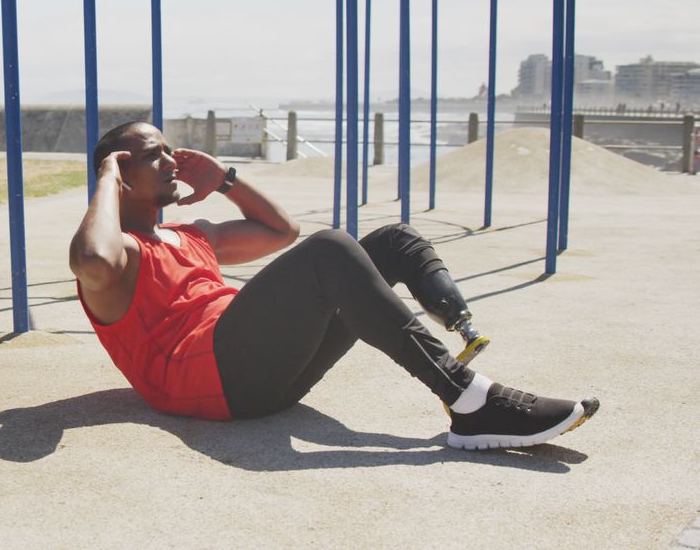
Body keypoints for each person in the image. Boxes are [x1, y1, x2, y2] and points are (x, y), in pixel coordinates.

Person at [69, 121, 598, 450]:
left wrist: (226, 180)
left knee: (393, 240)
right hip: (210, 381)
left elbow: (281, 231)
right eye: (151, 154)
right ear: (118, 175)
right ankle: (469, 399)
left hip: (263, 374)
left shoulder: (191, 235)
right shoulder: (120, 259)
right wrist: (103, 181)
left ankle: (458, 323)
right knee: (329, 250)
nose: (170, 160)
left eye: (169, 149)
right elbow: (91, 258)